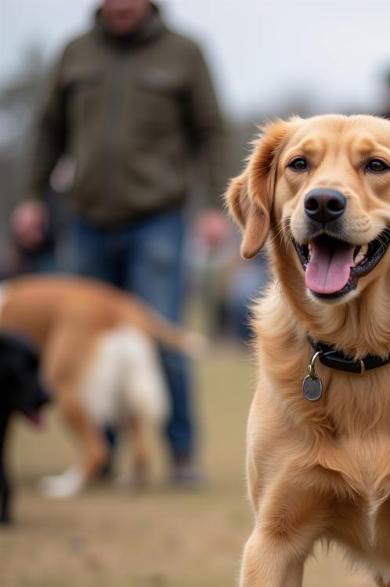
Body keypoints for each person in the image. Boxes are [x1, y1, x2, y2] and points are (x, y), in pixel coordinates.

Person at [11, 0, 230, 485]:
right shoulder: (75, 52)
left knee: (159, 335)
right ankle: (100, 455)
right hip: (85, 221)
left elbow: (210, 132)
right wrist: (31, 198)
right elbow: (48, 131)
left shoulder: (184, 52)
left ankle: (182, 454)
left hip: (158, 220)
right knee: (85, 355)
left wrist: (216, 207)